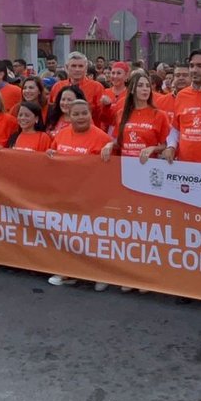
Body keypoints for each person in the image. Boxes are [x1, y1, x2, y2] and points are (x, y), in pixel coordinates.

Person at [46, 98, 114, 290]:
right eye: (76, 114)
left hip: (91, 195)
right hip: (66, 193)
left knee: (93, 237)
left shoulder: (102, 138)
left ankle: (99, 275)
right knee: (68, 235)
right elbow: (51, 155)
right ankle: (68, 273)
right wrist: (50, 155)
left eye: (84, 113)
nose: (80, 117)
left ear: (90, 114)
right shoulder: (61, 135)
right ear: (69, 116)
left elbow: (109, 169)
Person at [101, 70, 171, 161]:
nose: (145, 89)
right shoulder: (121, 114)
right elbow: (119, 142)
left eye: (147, 86)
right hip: (126, 166)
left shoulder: (160, 115)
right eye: (140, 85)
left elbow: (166, 145)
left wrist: (153, 148)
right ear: (132, 90)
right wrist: (109, 145)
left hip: (148, 165)